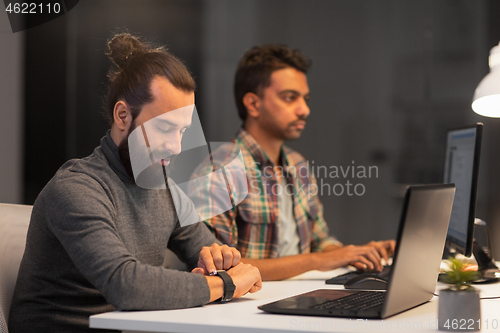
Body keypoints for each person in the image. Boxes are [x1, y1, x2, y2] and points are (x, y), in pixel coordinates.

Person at [8, 34, 261, 333]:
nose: (177, 146)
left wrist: (222, 260)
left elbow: (209, 254)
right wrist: (225, 284)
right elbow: (126, 286)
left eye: (183, 131)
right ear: (123, 115)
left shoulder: (163, 188)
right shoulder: (76, 188)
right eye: (165, 127)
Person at [191, 44, 395, 281]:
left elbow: (320, 242)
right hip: (250, 307)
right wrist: (317, 261)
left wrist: (358, 254)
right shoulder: (220, 170)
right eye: (290, 98)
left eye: (305, 99)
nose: (304, 110)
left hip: (300, 297)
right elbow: (217, 267)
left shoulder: (298, 165)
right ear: (253, 104)